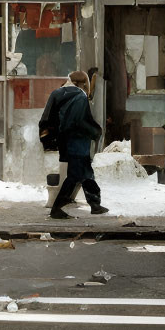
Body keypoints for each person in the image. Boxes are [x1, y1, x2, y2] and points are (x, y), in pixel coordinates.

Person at [39, 69, 108, 220]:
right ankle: (57, 208)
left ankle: (95, 204)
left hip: (64, 141)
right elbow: (79, 121)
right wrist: (95, 131)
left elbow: (45, 119)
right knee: (75, 175)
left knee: (85, 173)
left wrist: (48, 140)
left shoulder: (56, 93)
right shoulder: (80, 96)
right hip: (77, 141)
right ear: (83, 84)